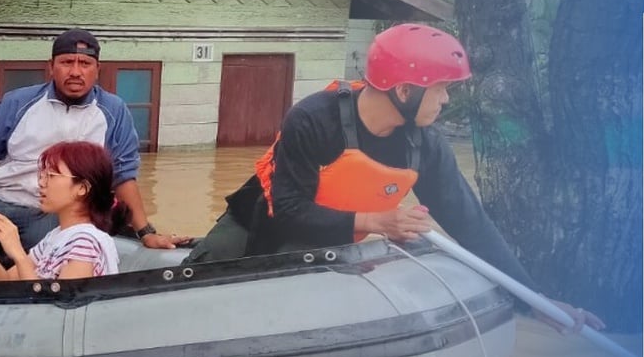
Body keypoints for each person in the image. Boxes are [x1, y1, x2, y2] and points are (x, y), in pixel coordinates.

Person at [186, 23, 602, 332]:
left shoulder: (424, 144)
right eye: (440, 89)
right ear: (404, 91)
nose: (446, 100)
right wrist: (376, 222)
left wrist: (533, 300)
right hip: (256, 225)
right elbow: (288, 210)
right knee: (187, 295)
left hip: (323, 244)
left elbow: (469, 222)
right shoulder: (313, 119)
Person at [0, 28, 187, 259]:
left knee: (46, 261)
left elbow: (123, 176)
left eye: (85, 63)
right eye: (67, 62)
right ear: (51, 66)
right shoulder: (19, 102)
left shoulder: (113, 111)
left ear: (97, 69)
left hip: (54, 215)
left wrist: (146, 232)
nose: (75, 71)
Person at [0, 141, 123, 281]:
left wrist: (18, 253)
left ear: (82, 188)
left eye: (51, 175)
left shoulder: (84, 242)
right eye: (42, 175)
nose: (41, 183)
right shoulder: (54, 237)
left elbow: (60, 306)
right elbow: (3, 284)